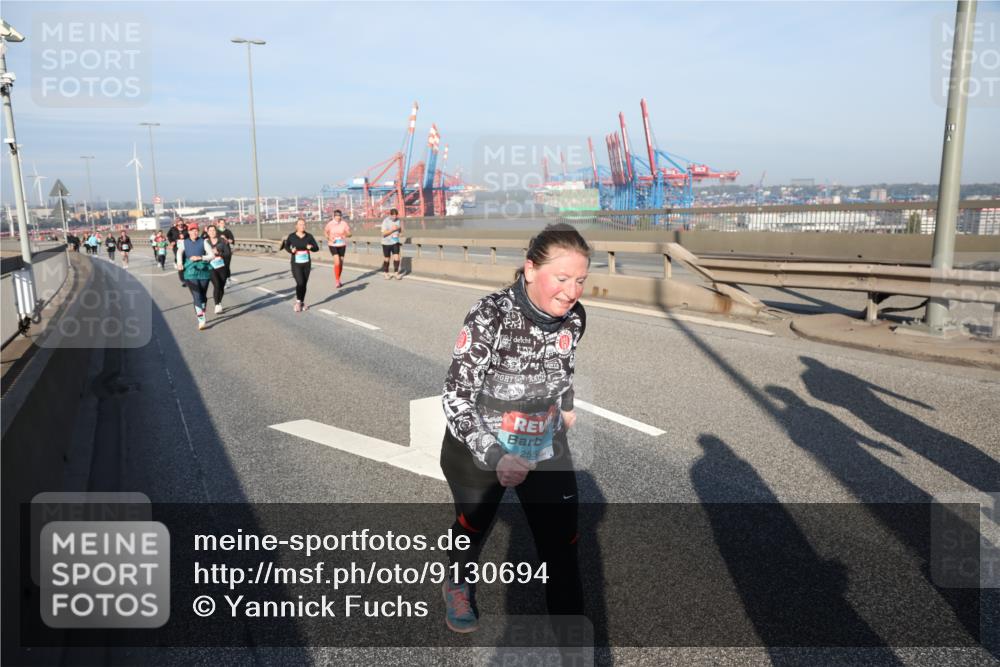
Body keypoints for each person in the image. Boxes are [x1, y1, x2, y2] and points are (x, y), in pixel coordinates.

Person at [440, 223, 590, 634]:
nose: (572, 291)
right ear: (529, 269)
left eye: (580, 280)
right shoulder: (490, 314)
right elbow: (455, 396)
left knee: (562, 546)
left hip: (541, 443)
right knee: (473, 524)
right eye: (562, 279)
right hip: (479, 447)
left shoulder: (574, 318)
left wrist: (567, 405)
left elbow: (562, 369)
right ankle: (458, 579)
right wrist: (495, 455)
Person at [175, 222, 213, 330]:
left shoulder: (204, 242)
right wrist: (179, 263)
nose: (194, 232)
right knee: (196, 295)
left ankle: (202, 310)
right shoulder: (184, 242)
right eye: (192, 230)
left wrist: (200, 257)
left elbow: (212, 255)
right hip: (190, 271)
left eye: (196, 230)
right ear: (189, 231)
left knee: (203, 296)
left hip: (203, 270)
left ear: (198, 231)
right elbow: (179, 253)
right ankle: (201, 320)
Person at [283, 218, 320, 312]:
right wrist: (291, 250)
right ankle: (298, 302)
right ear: (296, 226)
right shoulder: (292, 236)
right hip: (296, 263)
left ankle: (302, 302)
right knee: (300, 282)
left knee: (304, 284)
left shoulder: (309, 236)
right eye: (300, 224)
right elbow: (286, 246)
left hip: (306, 263)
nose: (302, 226)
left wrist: (311, 247)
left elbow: (316, 248)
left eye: (304, 224)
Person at [205, 224, 231, 314]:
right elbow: (202, 255)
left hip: (221, 266)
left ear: (216, 231)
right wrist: (209, 255)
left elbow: (228, 253)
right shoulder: (205, 243)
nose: (212, 232)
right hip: (211, 267)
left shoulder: (222, 241)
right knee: (216, 285)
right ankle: (216, 305)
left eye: (214, 230)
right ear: (207, 232)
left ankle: (219, 302)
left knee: (221, 286)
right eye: (210, 230)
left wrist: (219, 253)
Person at [323, 209, 352, 288]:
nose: (338, 217)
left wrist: (346, 235)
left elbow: (350, 234)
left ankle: (338, 279)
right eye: (336, 216)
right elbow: (325, 232)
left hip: (342, 244)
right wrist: (329, 238)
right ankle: (337, 280)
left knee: (341, 263)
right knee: (337, 262)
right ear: (334, 216)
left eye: (339, 216)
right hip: (333, 244)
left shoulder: (344, 223)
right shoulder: (330, 224)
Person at [380, 208, 403, 280]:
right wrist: (392, 230)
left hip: (395, 241)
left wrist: (400, 231)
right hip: (386, 242)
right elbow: (383, 234)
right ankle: (386, 273)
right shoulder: (385, 221)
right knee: (387, 258)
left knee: (397, 257)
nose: (395, 217)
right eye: (393, 216)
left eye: (396, 216)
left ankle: (396, 273)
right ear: (390, 215)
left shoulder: (398, 220)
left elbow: (399, 229)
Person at [166, 218, 187, 287]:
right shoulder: (173, 229)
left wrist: (185, 236)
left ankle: (187, 276)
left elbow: (190, 234)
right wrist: (172, 241)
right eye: (179, 223)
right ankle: (183, 280)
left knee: (185, 260)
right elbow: (168, 235)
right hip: (176, 247)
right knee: (180, 261)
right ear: (177, 223)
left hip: (186, 246)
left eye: (181, 223)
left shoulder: (186, 228)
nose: (180, 224)